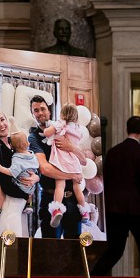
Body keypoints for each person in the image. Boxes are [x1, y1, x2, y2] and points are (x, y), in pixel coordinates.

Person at [90, 116, 140, 277]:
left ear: (127, 130)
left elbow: (107, 180)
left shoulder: (112, 152)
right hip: (136, 209)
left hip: (114, 209)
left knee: (114, 251)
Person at [28, 95, 82, 239]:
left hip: (72, 198)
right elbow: (45, 169)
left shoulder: (65, 129)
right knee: (51, 247)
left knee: (75, 247)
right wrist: (73, 175)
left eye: (43, 109)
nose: (40, 113)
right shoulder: (33, 138)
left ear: (49, 111)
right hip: (50, 198)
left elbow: (83, 160)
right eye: (36, 110)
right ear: (33, 114)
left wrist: (71, 147)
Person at [0, 108, 37, 237]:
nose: (1, 124)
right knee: (12, 244)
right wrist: (26, 194)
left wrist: (35, 178)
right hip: (10, 202)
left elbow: (28, 165)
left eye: (2, 120)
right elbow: (5, 183)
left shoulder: (13, 143)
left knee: (21, 243)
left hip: (18, 203)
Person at [41, 103, 90, 226]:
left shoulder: (61, 124)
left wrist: (55, 125)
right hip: (74, 161)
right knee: (77, 187)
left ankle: (56, 209)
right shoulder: (77, 130)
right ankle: (85, 211)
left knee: (60, 186)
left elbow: (47, 132)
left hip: (61, 160)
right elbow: (82, 158)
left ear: (62, 114)